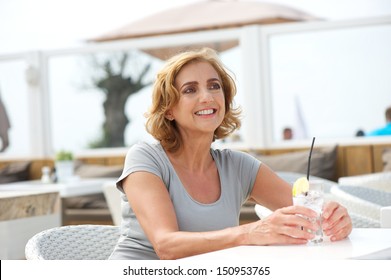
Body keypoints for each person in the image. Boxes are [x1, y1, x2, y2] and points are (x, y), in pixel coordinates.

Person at [109, 48, 352, 260]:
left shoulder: (238, 166)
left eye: (214, 86)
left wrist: (334, 218)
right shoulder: (145, 158)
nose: (207, 96)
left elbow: (308, 212)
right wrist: (251, 233)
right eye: (190, 90)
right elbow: (166, 246)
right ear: (169, 109)